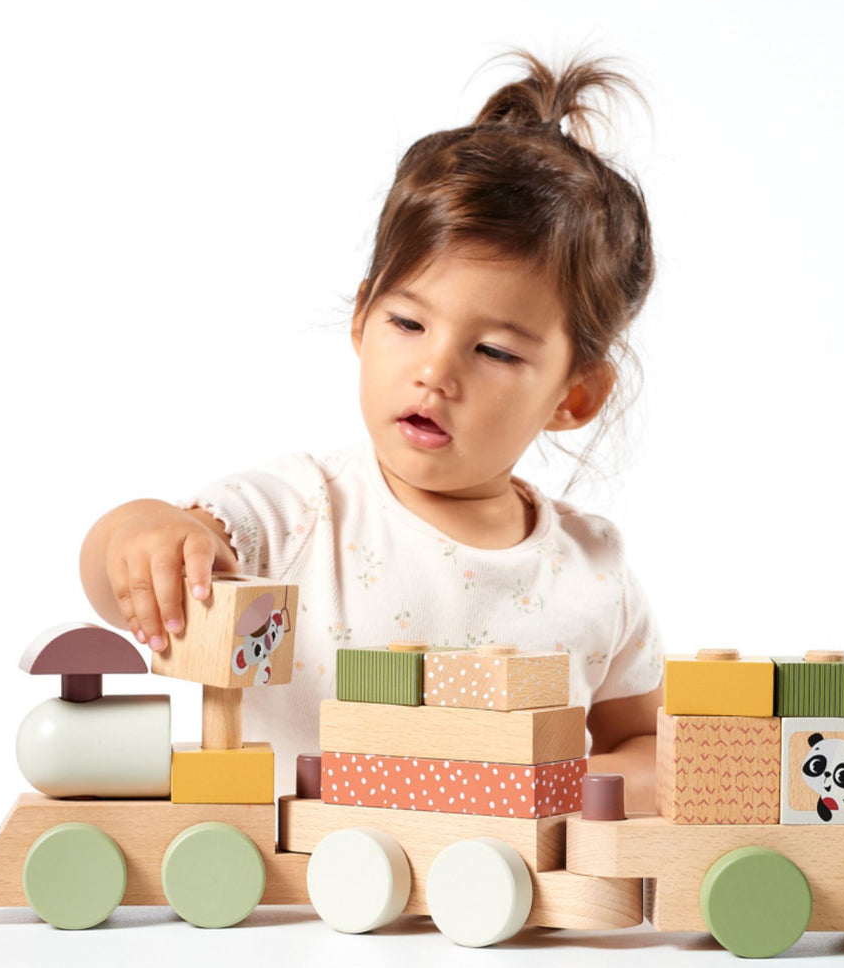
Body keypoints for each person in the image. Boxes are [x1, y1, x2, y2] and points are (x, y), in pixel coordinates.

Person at [80, 52, 664, 809]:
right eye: (408, 322)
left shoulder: (593, 571)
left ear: (575, 395)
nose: (435, 372)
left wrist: (586, 783)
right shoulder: (297, 512)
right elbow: (127, 571)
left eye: (493, 350)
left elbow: (641, 742)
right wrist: (141, 535)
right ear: (361, 317)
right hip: (302, 903)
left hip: (503, 903)